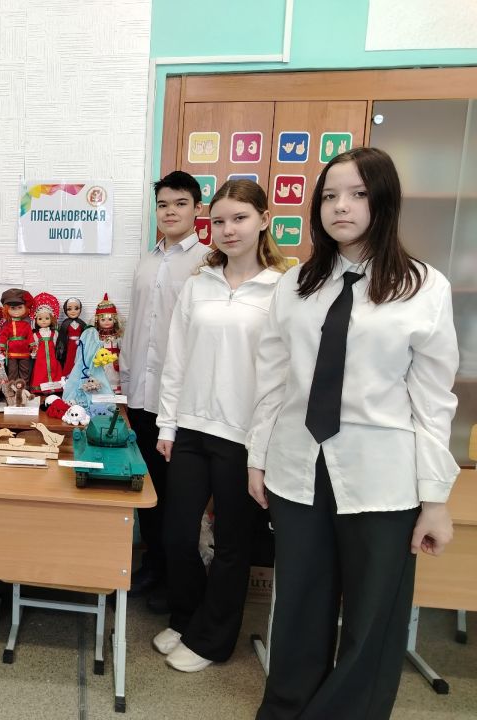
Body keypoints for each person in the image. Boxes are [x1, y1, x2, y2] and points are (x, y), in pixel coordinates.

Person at [247, 147, 459, 719]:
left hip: (383, 475)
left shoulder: (424, 287)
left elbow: (433, 400)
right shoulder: (296, 284)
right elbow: (273, 378)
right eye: (330, 195)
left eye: (358, 194)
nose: (341, 206)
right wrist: (257, 456)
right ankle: (286, 708)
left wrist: (436, 499)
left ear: (383, 201)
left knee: (372, 619)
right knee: (299, 605)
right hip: (298, 466)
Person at [152, 180, 289, 672]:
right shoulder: (199, 283)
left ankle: (213, 641)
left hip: (243, 436)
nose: (228, 230)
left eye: (240, 218)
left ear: (264, 220)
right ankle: (187, 618)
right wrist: (167, 426)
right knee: (177, 534)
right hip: (190, 428)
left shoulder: (283, 288)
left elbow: (281, 375)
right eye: (220, 221)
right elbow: (176, 359)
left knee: (232, 544)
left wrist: (263, 446)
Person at [120, 171, 207, 612]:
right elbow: (135, 328)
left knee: (179, 496)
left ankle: (179, 578)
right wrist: (124, 386)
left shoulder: (208, 262)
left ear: (197, 209)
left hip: (181, 401)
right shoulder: (147, 262)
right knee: (147, 486)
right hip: (142, 395)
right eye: (163, 205)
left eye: (180, 203)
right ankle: (153, 565)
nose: (170, 212)